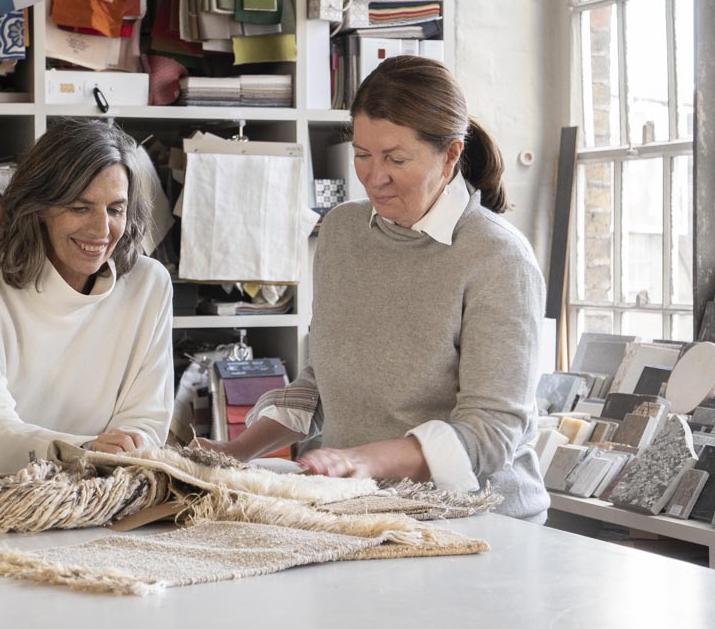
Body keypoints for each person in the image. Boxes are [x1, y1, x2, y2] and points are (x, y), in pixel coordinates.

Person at [196, 55, 549, 522]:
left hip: (482, 523)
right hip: (362, 511)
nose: (374, 177)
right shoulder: (342, 231)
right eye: (362, 155)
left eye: (396, 159)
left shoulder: (499, 259)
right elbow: (322, 381)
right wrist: (235, 452)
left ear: (451, 155)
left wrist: (360, 461)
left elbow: (490, 433)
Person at [0, 119, 174, 473]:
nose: (102, 229)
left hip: (91, 484)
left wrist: (121, 451)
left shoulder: (150, 285)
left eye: (115, 209)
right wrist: (85, 451)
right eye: (80, 207)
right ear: (39, 206)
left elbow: (146, 420)